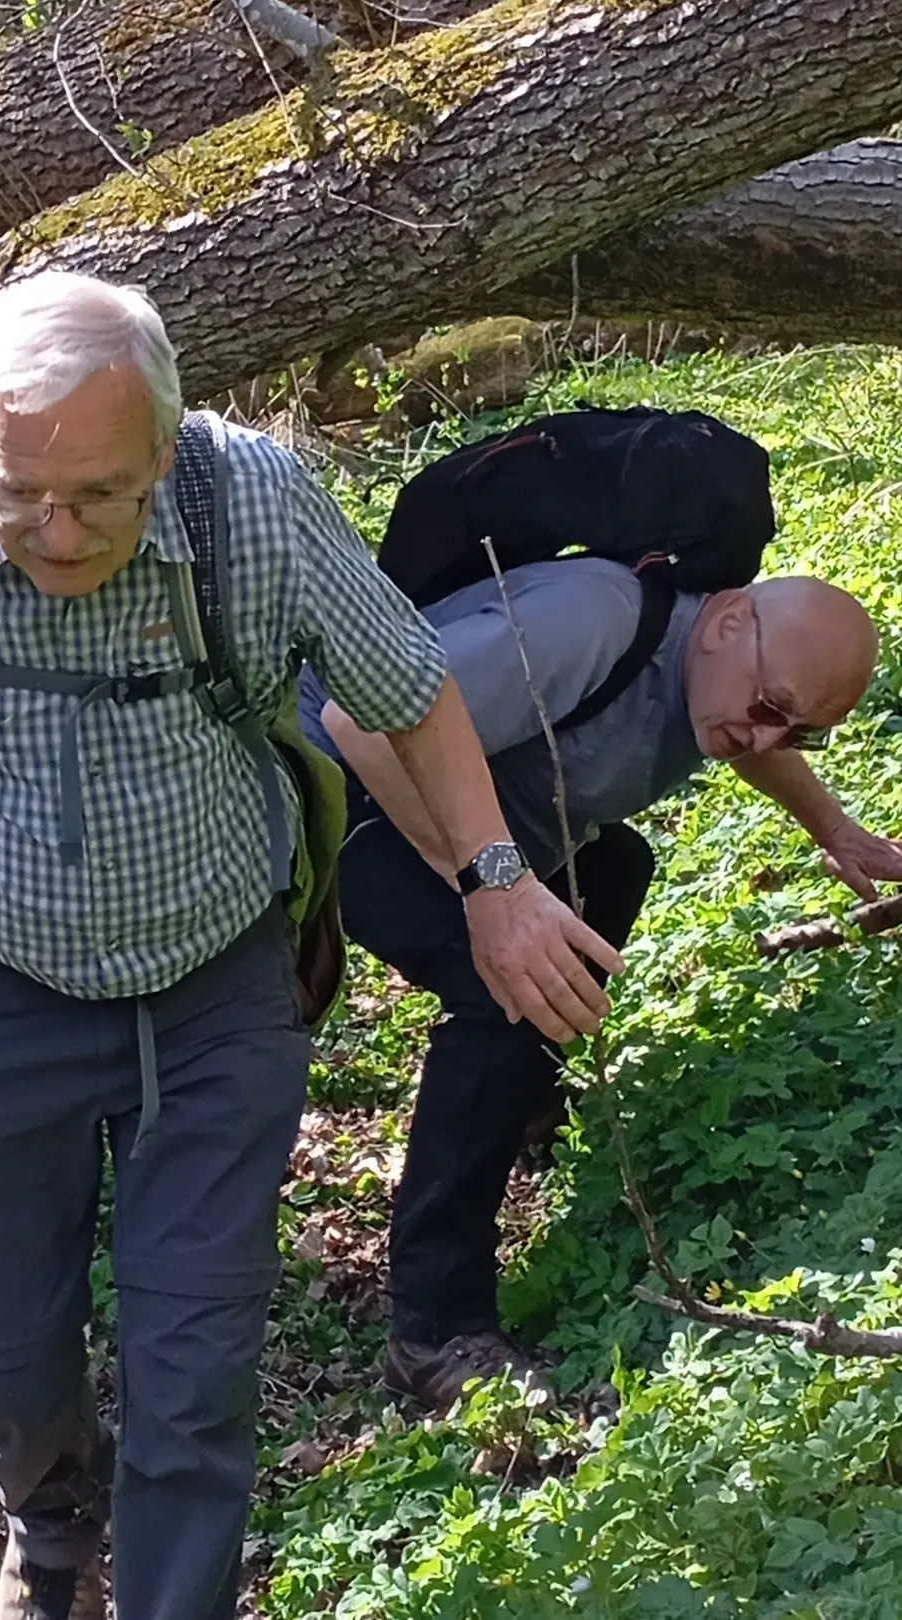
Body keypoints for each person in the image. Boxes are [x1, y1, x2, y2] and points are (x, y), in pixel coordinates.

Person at [0, 273, 628, 1620]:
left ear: (167, 442)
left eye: (101, 494)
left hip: (215, 989)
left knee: (194, 1375)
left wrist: (498, 880)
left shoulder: (246, 500)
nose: (59, 532)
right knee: (6, 1368)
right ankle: (49, 1529)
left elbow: (411, 686)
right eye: (21, 495)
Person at [299, 555, 902, 1412]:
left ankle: (527, 1102)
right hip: (340, 785)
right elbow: (358, 720)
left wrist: (834, 826)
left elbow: (752, 729)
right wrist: (489, 894)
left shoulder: (719, 678)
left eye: (795, 732)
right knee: (499, 985)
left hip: (465, 803)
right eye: (770, 709)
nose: (765, 739)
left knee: (613, 868)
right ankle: (433, 1329)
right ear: (729, 621)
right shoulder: (588, 627)